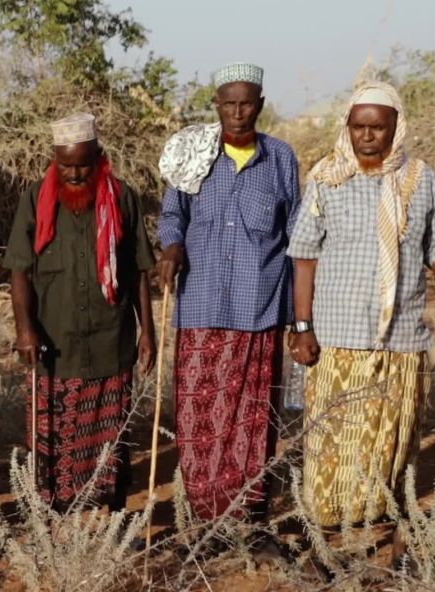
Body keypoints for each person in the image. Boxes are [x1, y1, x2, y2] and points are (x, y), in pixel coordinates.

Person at [287, 81, 435, 567]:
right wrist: (302, 326)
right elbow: (303, 257)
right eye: (359, 126)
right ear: (347, 127)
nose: (368, 136)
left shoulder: (420, 179)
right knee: (332, 448)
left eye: (378, 127)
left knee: (394, 443)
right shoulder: (326, 178)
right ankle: (327, 546)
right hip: (336, 338)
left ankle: (396, 541)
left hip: (400, 336)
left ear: (394, 128)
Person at [157, 63, 300, 534]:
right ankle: (203, 521)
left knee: (253, 420)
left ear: (260, 105)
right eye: (228, 104)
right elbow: (172, 215)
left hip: (259, 307)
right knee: (198, 416)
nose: (237, 113)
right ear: (216, 106)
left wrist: (300, 317)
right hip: (199, 304)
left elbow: (297, 235)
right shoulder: (193, 153)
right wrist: (172, 247)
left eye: (247, 103)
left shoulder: (280, 159)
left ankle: (248, 519)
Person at [4, 112, 156, 512]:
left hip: (111, 339)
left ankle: (113, 513)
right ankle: (54, 519)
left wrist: (148, 333)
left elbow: (139, 269)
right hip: (55, 342)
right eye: (65, 165)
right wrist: (24, 330)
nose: (74, 174)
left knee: (112, 437)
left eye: (83, 165)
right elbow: (19, 269)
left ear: (99, 158)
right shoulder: (36, 198)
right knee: (53, 439)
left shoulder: (122, 197)